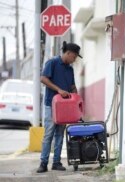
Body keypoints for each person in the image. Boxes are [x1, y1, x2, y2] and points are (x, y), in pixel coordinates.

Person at [37, 41, 82, 173]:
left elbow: (72, 86)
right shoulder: (53, 63)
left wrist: (76, 98)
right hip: (51, 104)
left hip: (65, 107)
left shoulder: (70, 69)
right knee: (49, 134)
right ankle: (43, 163)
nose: (74, 60)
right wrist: (59, 90)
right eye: (74, 57)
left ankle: (56, 162)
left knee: (60, 134)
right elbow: (43, 78)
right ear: (68, 53)